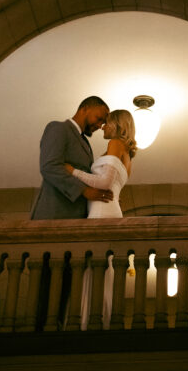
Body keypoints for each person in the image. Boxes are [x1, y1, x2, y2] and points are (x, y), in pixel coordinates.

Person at [64, 109, 138, 329]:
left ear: (117, 125)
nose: (103, 127)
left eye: (107, 123)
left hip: (102, 212)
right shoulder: (128, 154)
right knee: (101, 270)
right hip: (109, 209)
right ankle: (100, 320)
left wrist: (73, 172)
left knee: (93, 267)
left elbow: (105, 182)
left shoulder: (116, 143)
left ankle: (88, 321)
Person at [30, 96, 113, 220]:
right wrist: (84, 190)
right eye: (99, 118)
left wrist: (105, 195)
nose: (100, 125)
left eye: (103, 123)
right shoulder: (59, 128)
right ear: (84, 109)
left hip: (76, 218)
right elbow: (49, 166)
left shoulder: (85, 142)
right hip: (53, 215)